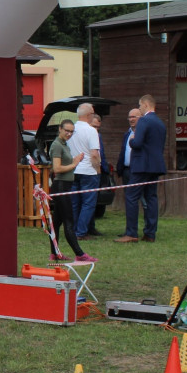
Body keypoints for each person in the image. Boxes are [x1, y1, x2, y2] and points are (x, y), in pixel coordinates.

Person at [116, 95, 166, 243]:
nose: (139, 108)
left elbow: (137, 143)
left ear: (145, 104)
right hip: (155, 166)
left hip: (141, 165)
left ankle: (131, 233)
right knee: (151, 198)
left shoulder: (144, 120)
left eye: (139, 105)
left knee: (131, 196)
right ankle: (150, 233)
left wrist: (131, 141)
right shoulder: (160, 123)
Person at [48, 120, 97, 263]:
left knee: (56, 223)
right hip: (61, 187)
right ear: (60, 129)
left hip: (65, 186)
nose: (69, 134)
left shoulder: (64, 145)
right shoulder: (57, 145)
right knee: (69, 221)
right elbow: (57, 169)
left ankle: (55, 253)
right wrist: (74, 163)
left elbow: (65, 167)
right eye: (66, 131)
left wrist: (75, 162)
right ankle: (80, 254)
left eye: (71, 131)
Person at [68, 103, 101, 240]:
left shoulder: (71, 130)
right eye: (92, 113)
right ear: (88, 115)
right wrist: (98, 169)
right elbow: (94, 154)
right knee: (88, 203)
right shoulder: (91, 131)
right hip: (88, 170)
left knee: (75, 202)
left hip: (73, 169)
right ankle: (81, 232)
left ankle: (74, 230)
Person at [87, 114, 109, 237]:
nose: (96, 130)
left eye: (98, 127)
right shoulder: (86, 135)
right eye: (94, 126)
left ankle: (91, 227)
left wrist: (104, 170)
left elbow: (102, 154)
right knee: (87, 202)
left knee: (94, 201)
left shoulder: (98, 136)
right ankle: (84, 228)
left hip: (98, 171)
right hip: (88, 171)